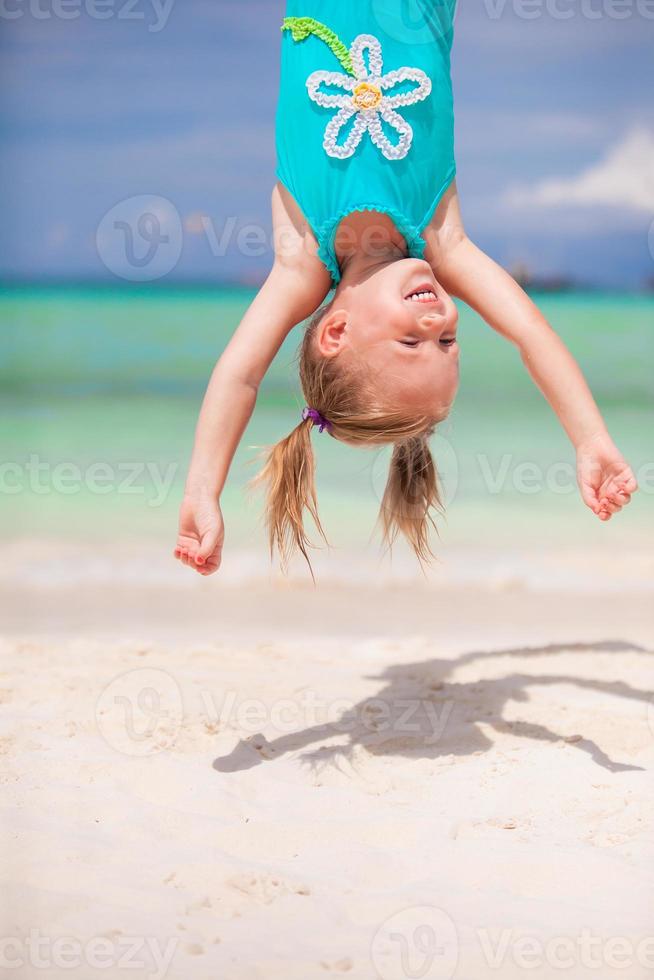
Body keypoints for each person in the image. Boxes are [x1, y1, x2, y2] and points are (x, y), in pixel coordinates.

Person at [174, 2, 637, 577]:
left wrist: (202, 490)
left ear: (336, 332)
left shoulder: (299, 265)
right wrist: (590, 438)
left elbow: (239, 376)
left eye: (413, 345)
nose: (438, 325)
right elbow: (528, 332)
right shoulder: (444, 242)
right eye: (448, 344)